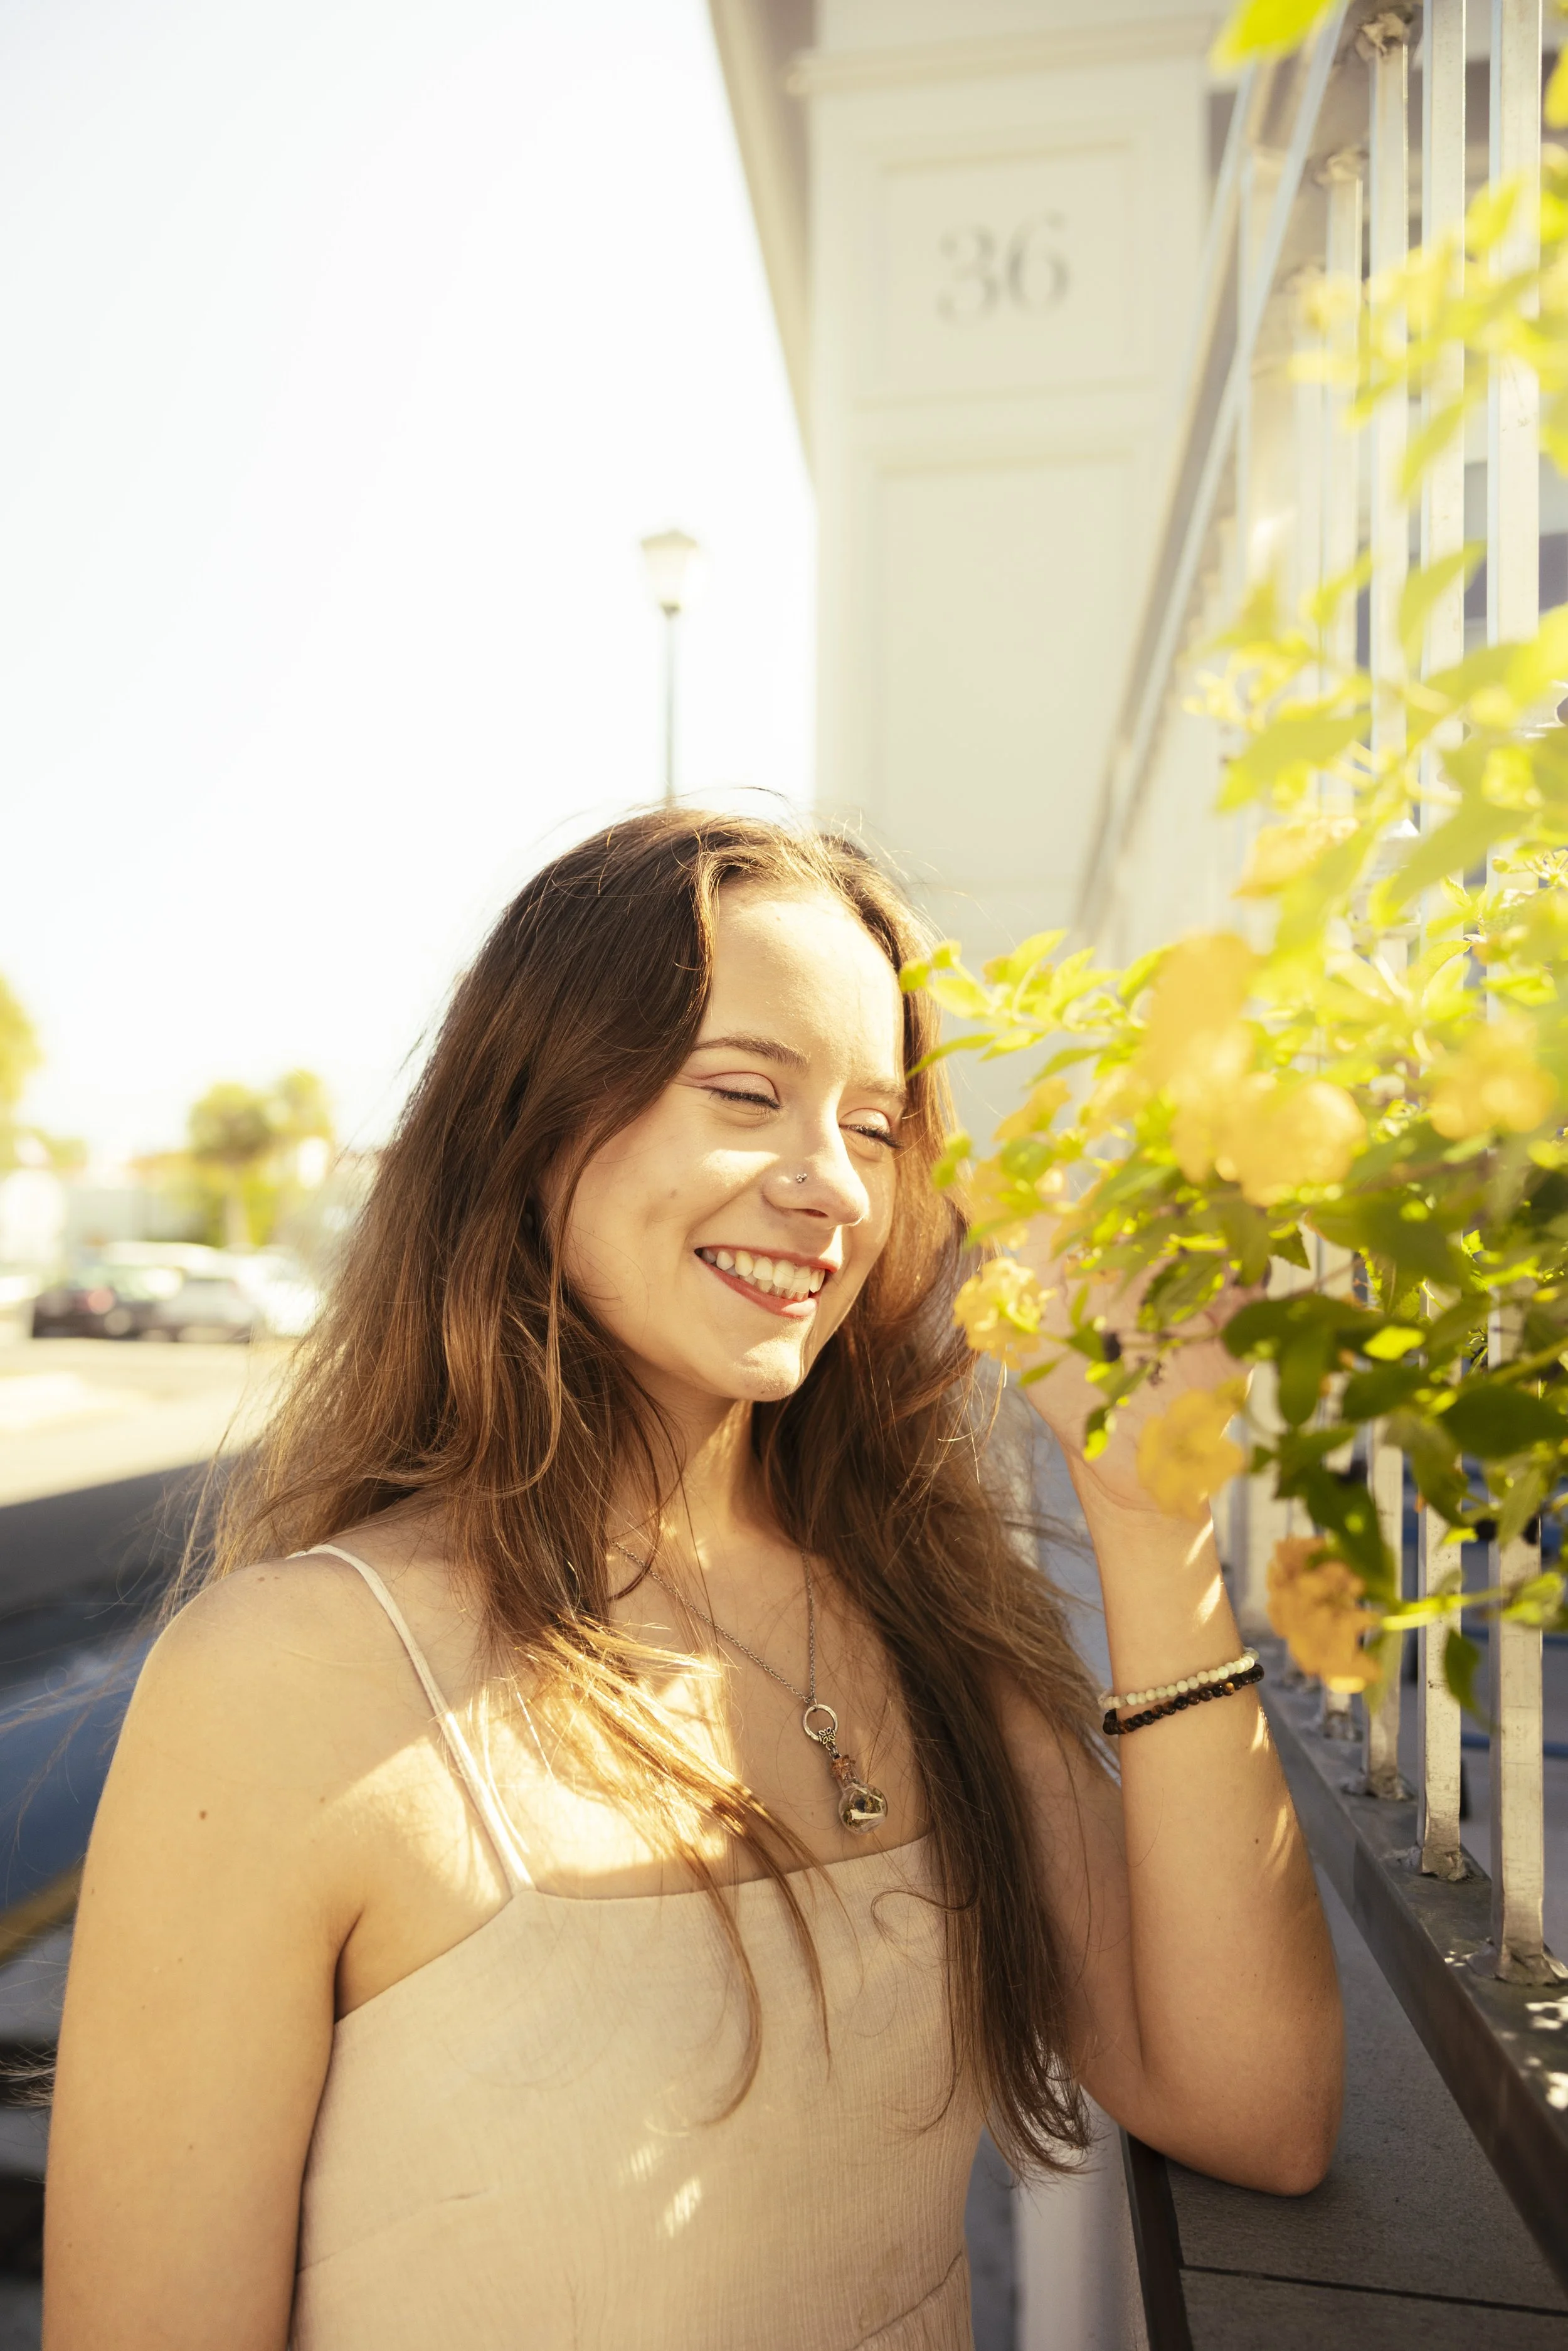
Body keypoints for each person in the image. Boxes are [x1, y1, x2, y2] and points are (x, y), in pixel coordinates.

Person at [43, 813, 1342, 2351]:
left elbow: (1258, 2110)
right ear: (529, 1122)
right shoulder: (291, 1672)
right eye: (746, 1093)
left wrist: (1146, 1514)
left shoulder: (917, 1608)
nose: (832, 1189)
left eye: (873, 1126)